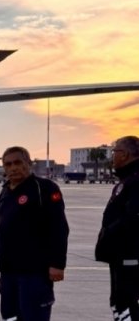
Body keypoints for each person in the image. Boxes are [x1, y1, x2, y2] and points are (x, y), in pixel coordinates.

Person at [0, 146, 69, 321]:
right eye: (8, 164)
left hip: (35, 273)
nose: (13, 168)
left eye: (18, 162)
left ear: (29, 163)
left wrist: (58, 264)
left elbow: (59, 228)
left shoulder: (45, 188)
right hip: (8, 271)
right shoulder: (6, 191)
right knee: (10, 317)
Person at [95, 136, 139, 320]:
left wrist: (109, 234)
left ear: (125, 154)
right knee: (120, 302)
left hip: (130, 255)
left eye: (115, 152)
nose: (113, 156)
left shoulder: (135, 181)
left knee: (125, 304)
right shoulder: (128, 180)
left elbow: (133, 217)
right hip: (121, 255)